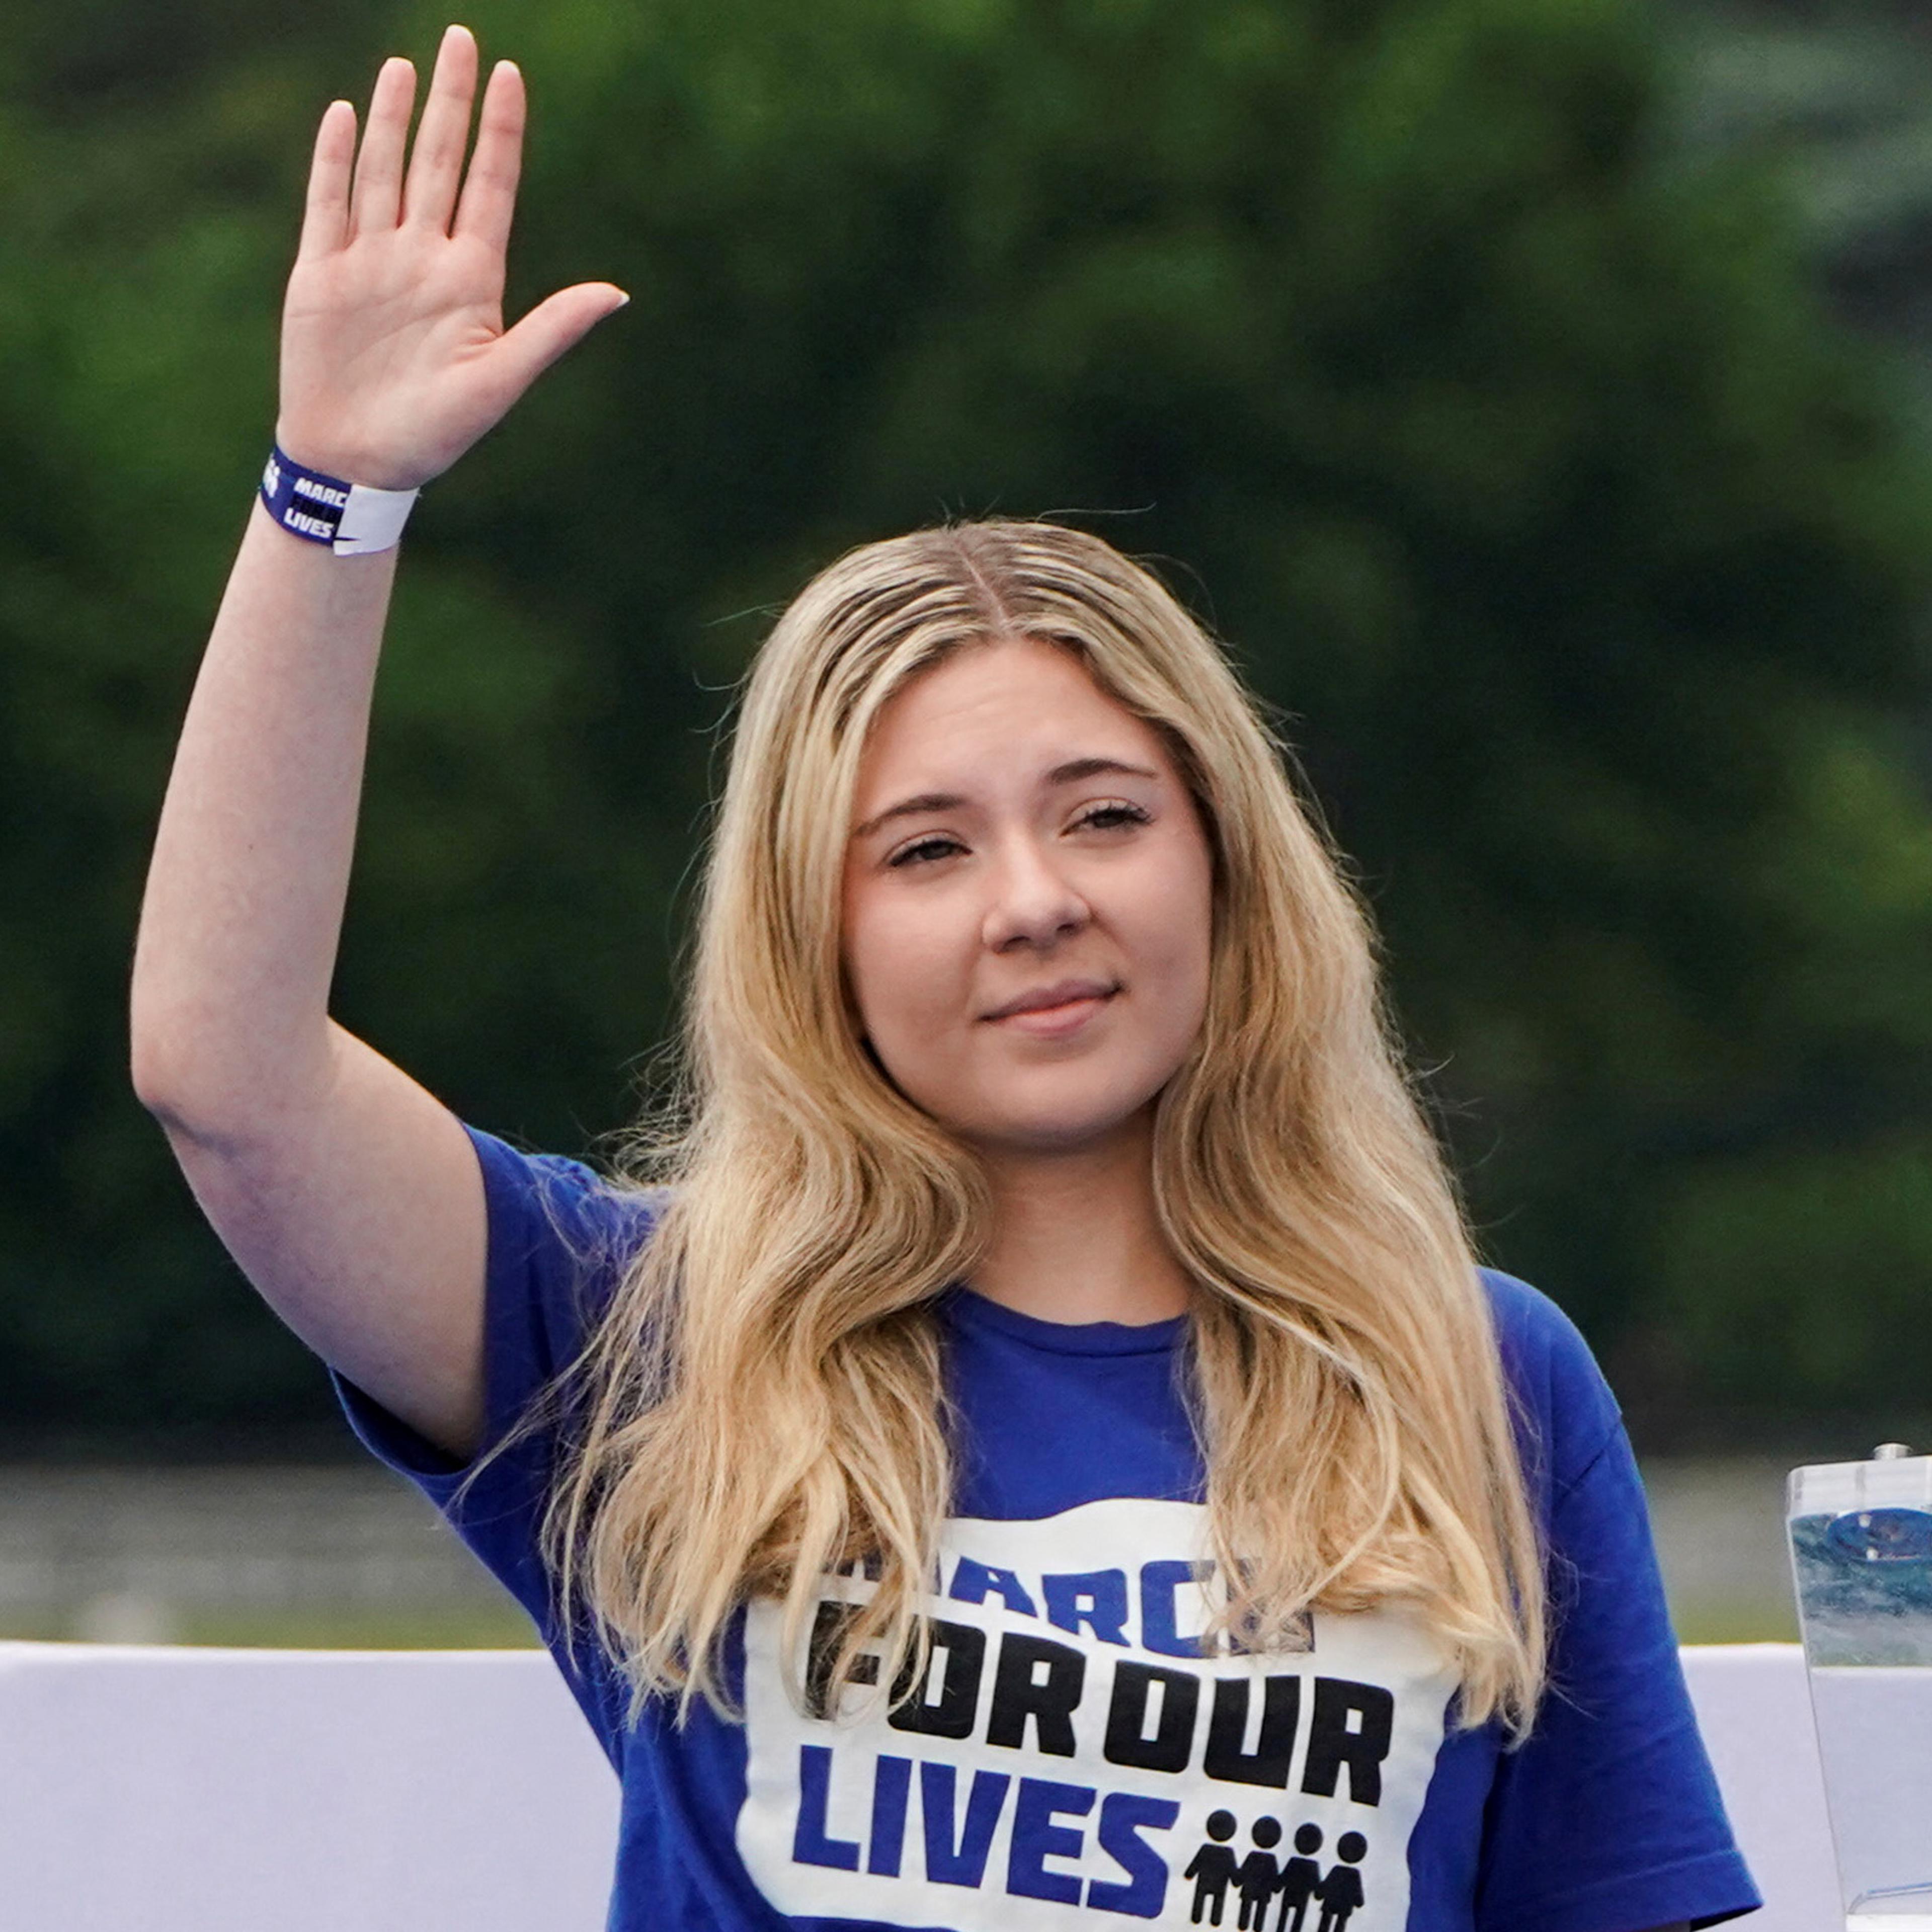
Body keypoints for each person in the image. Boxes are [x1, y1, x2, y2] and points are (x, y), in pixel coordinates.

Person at [129, 24, 1761, 1932]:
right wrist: (334, 497)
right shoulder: (647, 1337)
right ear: (814, 935)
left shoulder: (1480, 1373)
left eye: (1102, 817)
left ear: (1228, 860)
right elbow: (227, 1078)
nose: (1032, 903)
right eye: (925, 849)